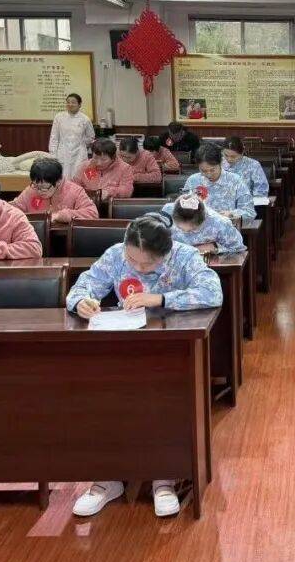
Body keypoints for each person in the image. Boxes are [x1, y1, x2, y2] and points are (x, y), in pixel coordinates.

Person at [66, 213, 222, 519]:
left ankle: (164, 478)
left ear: (165, 252)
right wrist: (80, 301)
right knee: (102, 399)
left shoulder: (184, 256)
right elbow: (83, 286)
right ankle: (106, 479)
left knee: (162, 400)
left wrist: (159, 298)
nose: (137, 268)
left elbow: (212, 292)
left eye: (147, 263)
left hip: (169, 349)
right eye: (132, 260)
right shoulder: (115, 255)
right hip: (119, 348)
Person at [11, 157, 98, 223]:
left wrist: (62, 215)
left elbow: (92, 213)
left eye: (44, 188)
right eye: (36, 186)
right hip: (36, 235)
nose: (39, 191)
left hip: (66, 237)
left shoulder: (75, 191)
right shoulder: (31, 190)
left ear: (58, 181)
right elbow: (13, 209)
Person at [184, 144, 256, 220]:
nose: (209, 174)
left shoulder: (235, 181)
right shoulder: (193, 181)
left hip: (227, 225)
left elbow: (249, 212)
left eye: (212, 170)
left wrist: (231, 214)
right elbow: (182, 210)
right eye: (203, 171)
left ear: (221, 163)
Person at [162, 193, 247, 255]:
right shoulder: (166, 214)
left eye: (192, 229)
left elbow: (239, 248)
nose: (186, 231)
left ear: (203, 220)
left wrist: (215, 247)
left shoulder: (219, 223)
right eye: (180, 228)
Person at [49, 93, 95, 179]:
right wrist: (53, 155)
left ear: (79, 104)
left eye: (73, 102)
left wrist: (81, 144)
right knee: (62, 177)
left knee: (78, 177)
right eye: (68, 102)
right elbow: (54, 137)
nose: (70, 104)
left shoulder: (85, 119)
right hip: (62, 152)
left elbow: (91, 137)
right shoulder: (59, 117)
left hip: (79, 154)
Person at [73, 137, 134, 202]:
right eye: (95, 158)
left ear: (113, 158)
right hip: (86, 203)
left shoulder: (125, 168)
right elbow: (74, 186)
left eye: (103, 159)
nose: (99, 163)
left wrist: (109, 192)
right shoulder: (85, 166)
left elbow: (127, 190)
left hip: (111, 204)